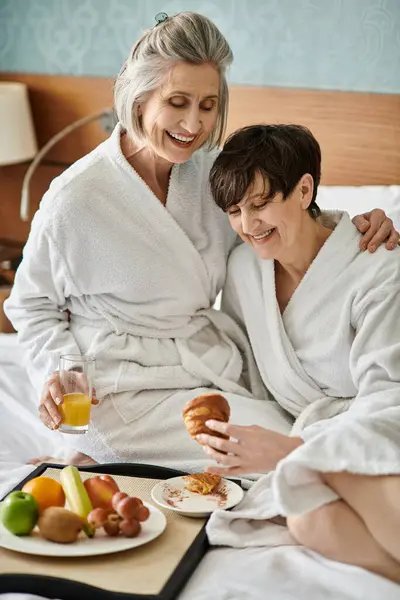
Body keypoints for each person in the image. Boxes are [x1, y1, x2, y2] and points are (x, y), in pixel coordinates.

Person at [4, 13, 398, 472]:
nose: (193, 124)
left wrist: (353, 229)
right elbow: (32, 305)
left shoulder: (209, 172)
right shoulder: (76, 197)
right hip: (113, 385)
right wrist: (59, 367)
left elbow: (276, 215)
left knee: (288, 436)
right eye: (177, 102)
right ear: (139, 97)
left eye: (208, 105)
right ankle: (99, 455)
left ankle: (105, 462)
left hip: (199, 370)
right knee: (280, 455)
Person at [197, 123, 400, 582]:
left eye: (261, 203)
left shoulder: (379, 267)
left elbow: (390, 395)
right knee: (308, 519)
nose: (248, 226)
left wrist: (296, 450)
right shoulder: (244, 270)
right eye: (234, 211)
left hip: (378, 426)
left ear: (304, 189)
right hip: (311, 434)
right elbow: (243, 366)